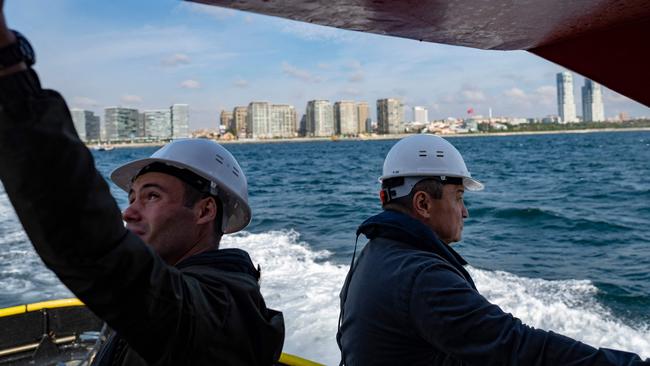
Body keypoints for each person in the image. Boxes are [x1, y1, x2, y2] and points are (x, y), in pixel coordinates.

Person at [0, 3, 284, 365]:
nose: (128, 211)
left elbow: (90, 246)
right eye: (132, 195)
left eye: (151, 195)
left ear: (204, 210)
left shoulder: (218, 313)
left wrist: (9, 67)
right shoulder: (176, 296)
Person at [337, 134, 649, 365]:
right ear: (422, 203)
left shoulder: (374, 254)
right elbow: (517, 347)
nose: (465, 212)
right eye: (459, 197)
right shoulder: (421, 277)